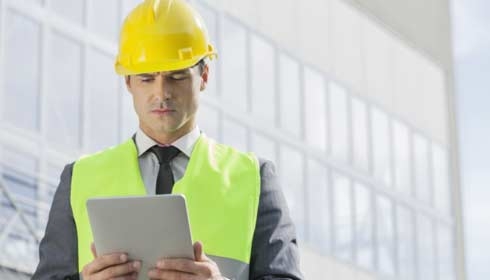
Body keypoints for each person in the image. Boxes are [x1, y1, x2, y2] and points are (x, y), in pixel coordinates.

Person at [33, 0, 303, 279]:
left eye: (176, 76)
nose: (162, 93)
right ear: (128, 82)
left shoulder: (254, 179)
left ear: (204, 76)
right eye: (147, 78)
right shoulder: (79, 178)